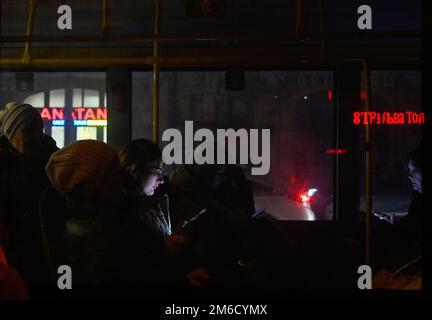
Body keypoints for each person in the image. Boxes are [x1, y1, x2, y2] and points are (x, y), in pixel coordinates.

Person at [0, 102, 58, 289]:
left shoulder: (55, 165)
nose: (37, 137)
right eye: (28, 131)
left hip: (52, 258)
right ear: (10, 135)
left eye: (39, 130)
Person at [119, 139, 171, 237]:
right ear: (134, 171)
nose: (161, 180)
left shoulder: (144, 209)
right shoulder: (130, 219)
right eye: (157, 171)